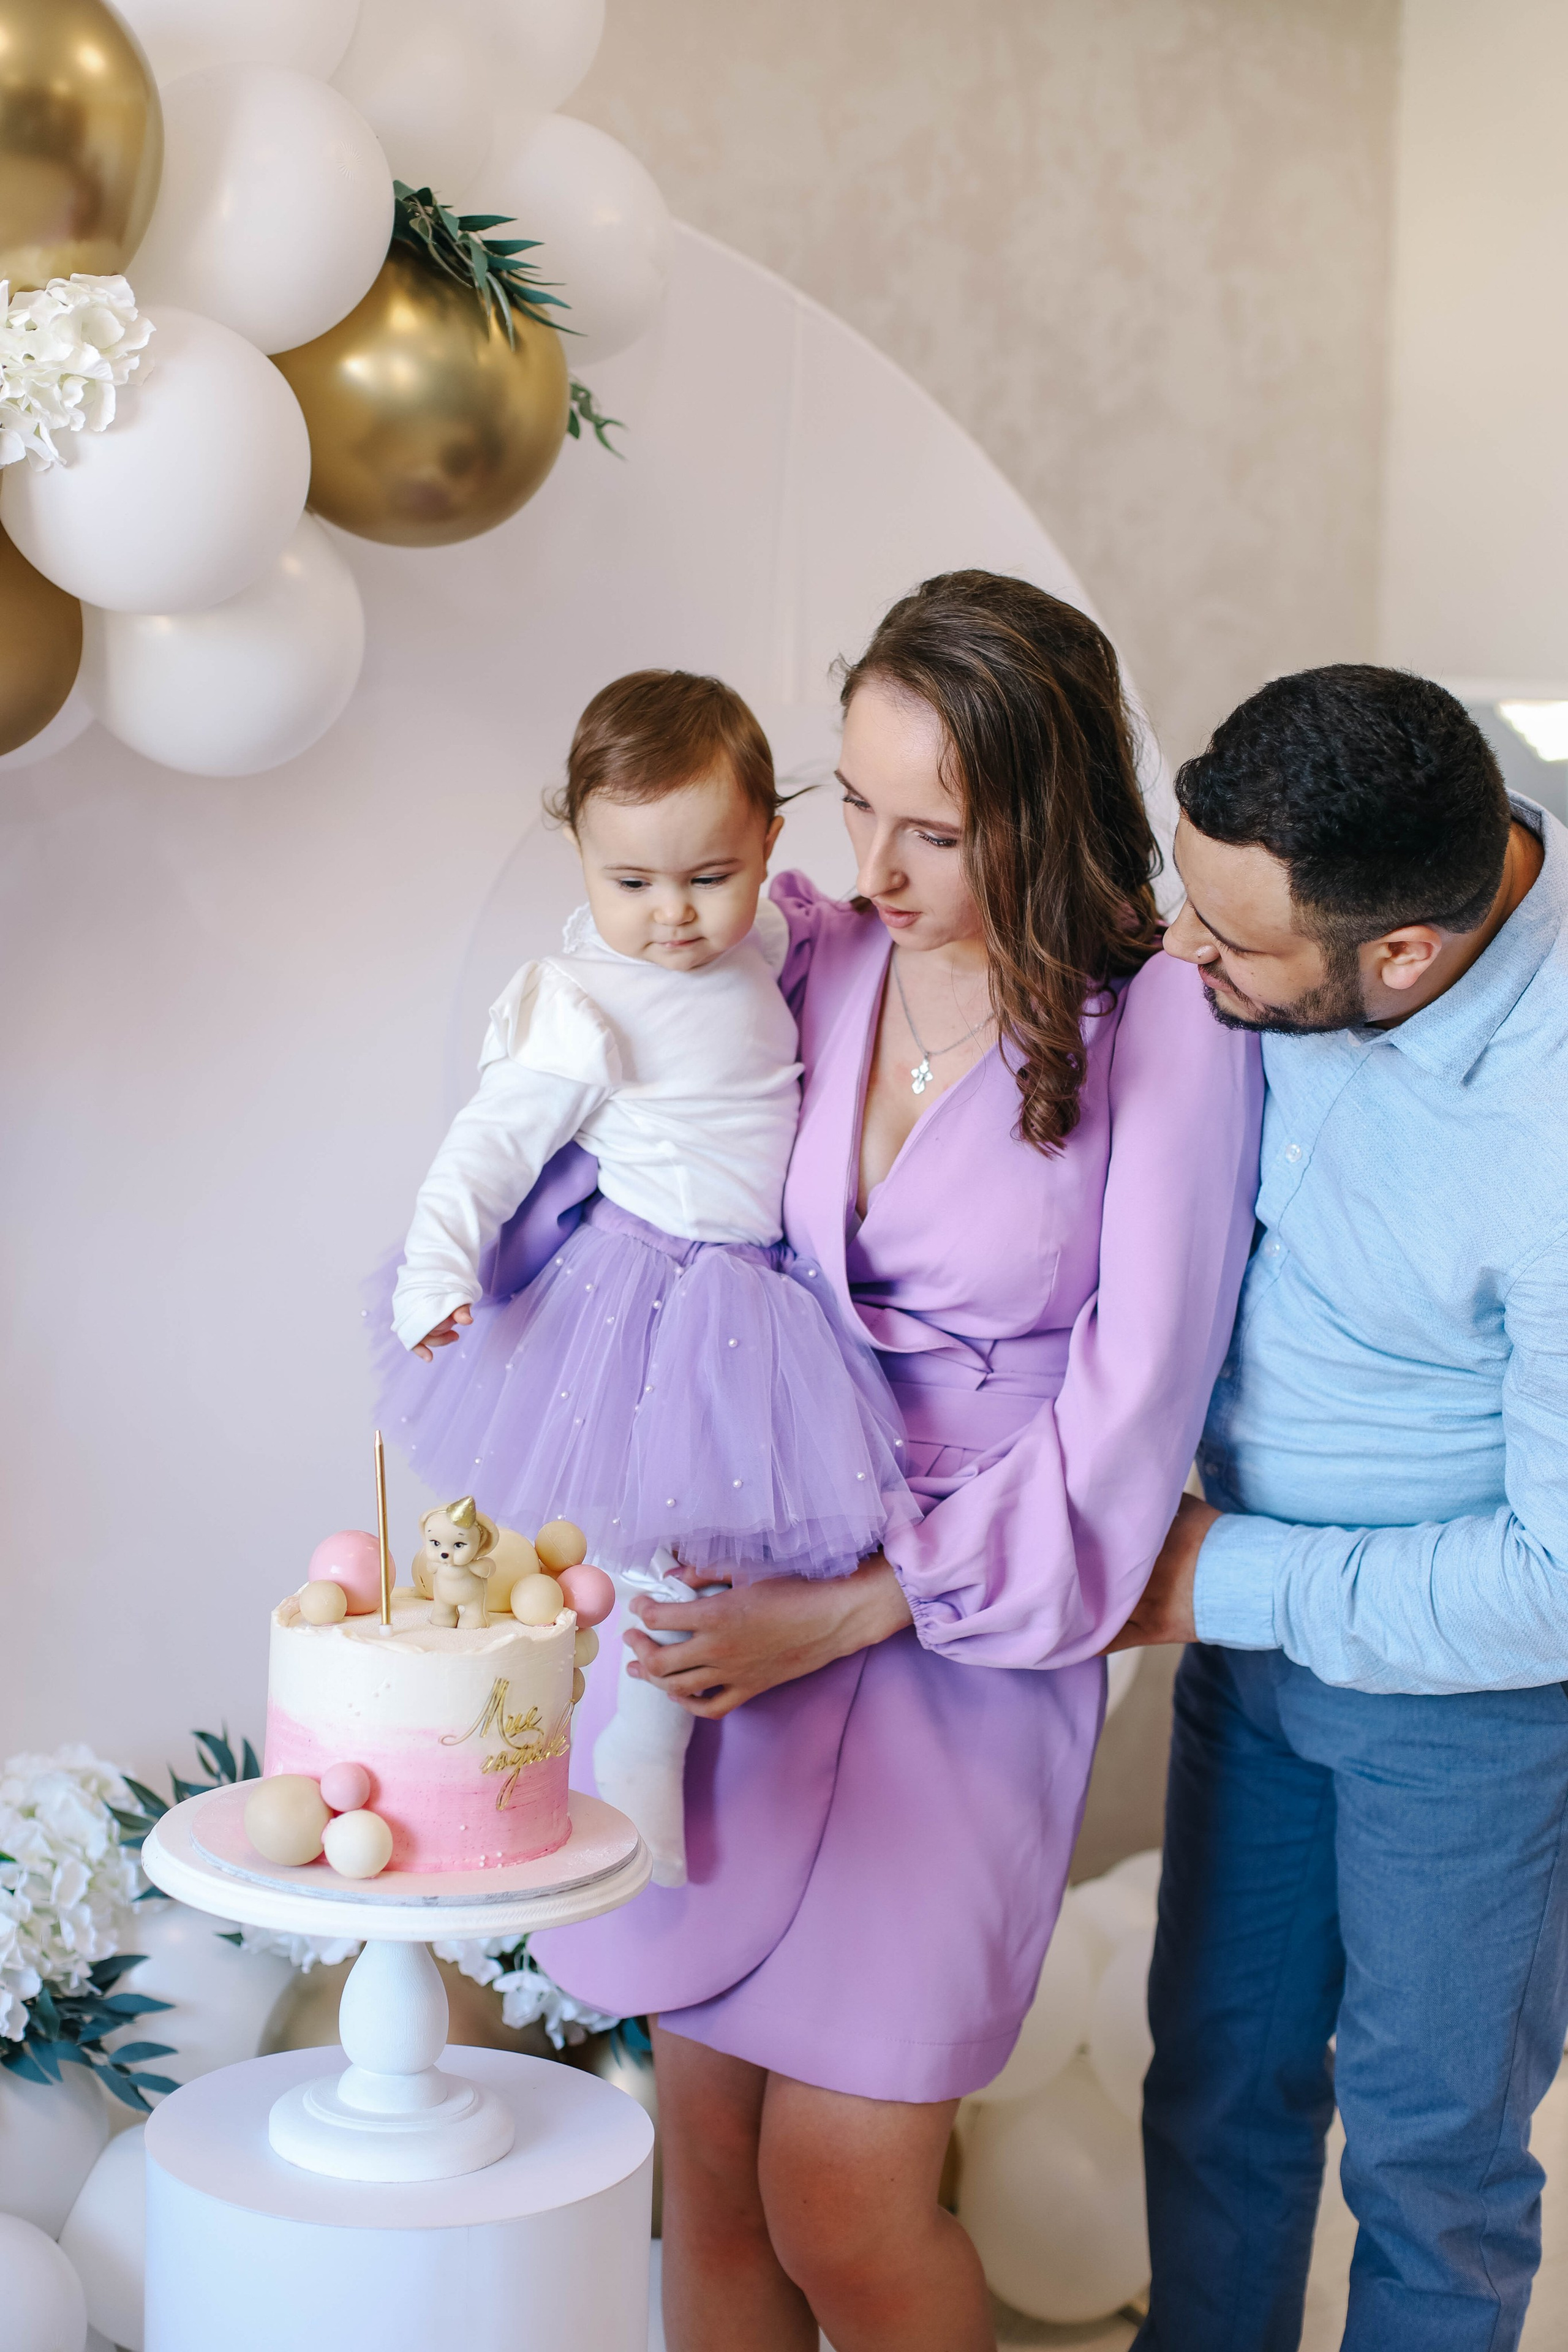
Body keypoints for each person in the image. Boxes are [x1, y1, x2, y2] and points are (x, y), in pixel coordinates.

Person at [531, 571, 1261, 2352]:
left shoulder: (1163, 1021)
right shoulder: (815, 947)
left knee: (843, 2200)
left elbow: (1136, 1399)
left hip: (971, 1633)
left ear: (1060, 806)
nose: (879, 868)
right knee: (699, 2160)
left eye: (938, 830)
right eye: (855, 803)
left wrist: (866, 1607)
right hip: (739, 1578)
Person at [1113, 665, 1568, 2352]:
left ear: (1405, 959)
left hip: (1471, 1711)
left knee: (1431, 2160)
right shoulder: (1381, 820)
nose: (1184, 960)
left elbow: (1558, 1583)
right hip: (1250, 1650)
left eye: (1235, 955)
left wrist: (1211, 1578)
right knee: (1217, 2080)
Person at [374, 669, 916, 1888]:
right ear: (578, 855)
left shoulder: (769, 933)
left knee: (723, 1540)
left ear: (766, 843)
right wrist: (434, 1278)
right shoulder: (581, 1000)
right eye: (629, 883)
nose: (671, 915)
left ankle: (687, 1747)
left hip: (759, 1286)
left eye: (705, 877)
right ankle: (634, 1750)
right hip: (649, 1291)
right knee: (648, 1544)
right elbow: (487, 1149)